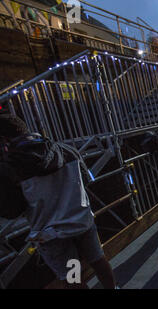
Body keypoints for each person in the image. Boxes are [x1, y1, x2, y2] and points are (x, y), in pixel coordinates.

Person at [0, 115, 116, 289]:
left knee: (73, 276)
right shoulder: (64, 149)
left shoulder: (9, 168)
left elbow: (12, 211)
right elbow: (86, 179)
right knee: (97, 259)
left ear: (4, 140)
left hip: (50, 233)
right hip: (81, 218)